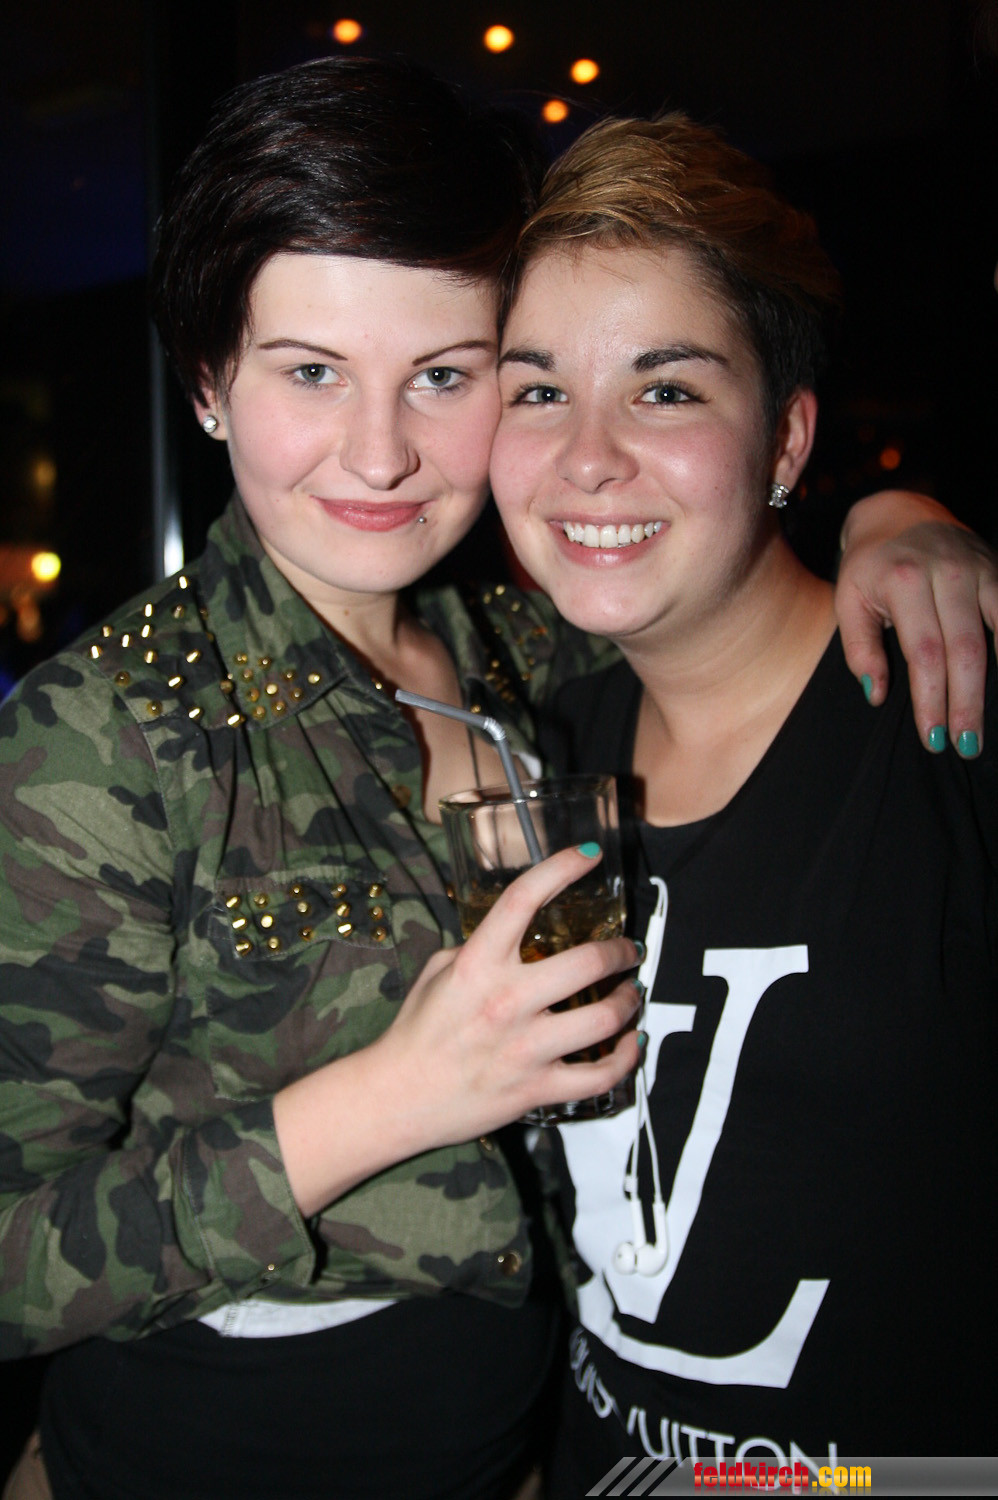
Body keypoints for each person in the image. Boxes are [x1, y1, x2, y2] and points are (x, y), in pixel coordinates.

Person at [0, 54, 992, 1500]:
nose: (382, 453)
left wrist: (895, 518)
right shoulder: (109, 733)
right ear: (210, 384)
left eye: (445, 376)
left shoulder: (532, 657)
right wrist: (392, 1096)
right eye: (311, 371)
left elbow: (696, 556)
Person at [488, 112, 998, 1486]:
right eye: (537, 391)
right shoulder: (539, 745)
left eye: (664, 390)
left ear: (785, 439)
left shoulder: (950, 721)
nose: (587, 457)